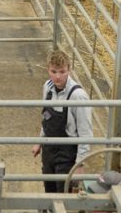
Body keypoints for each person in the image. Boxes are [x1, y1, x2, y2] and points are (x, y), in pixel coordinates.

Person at [32, 49, 93, 193]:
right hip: (49, 149)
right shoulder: (47, 88)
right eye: (53, 72)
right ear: (48, 70)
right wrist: (40, 141)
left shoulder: (78, 96)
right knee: (49, 188)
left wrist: (79, 164)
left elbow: (86, 132)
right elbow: (46, 116)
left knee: (63, 193)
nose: (58, 77)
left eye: (62, 71)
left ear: (69, 69)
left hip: (66, 153)